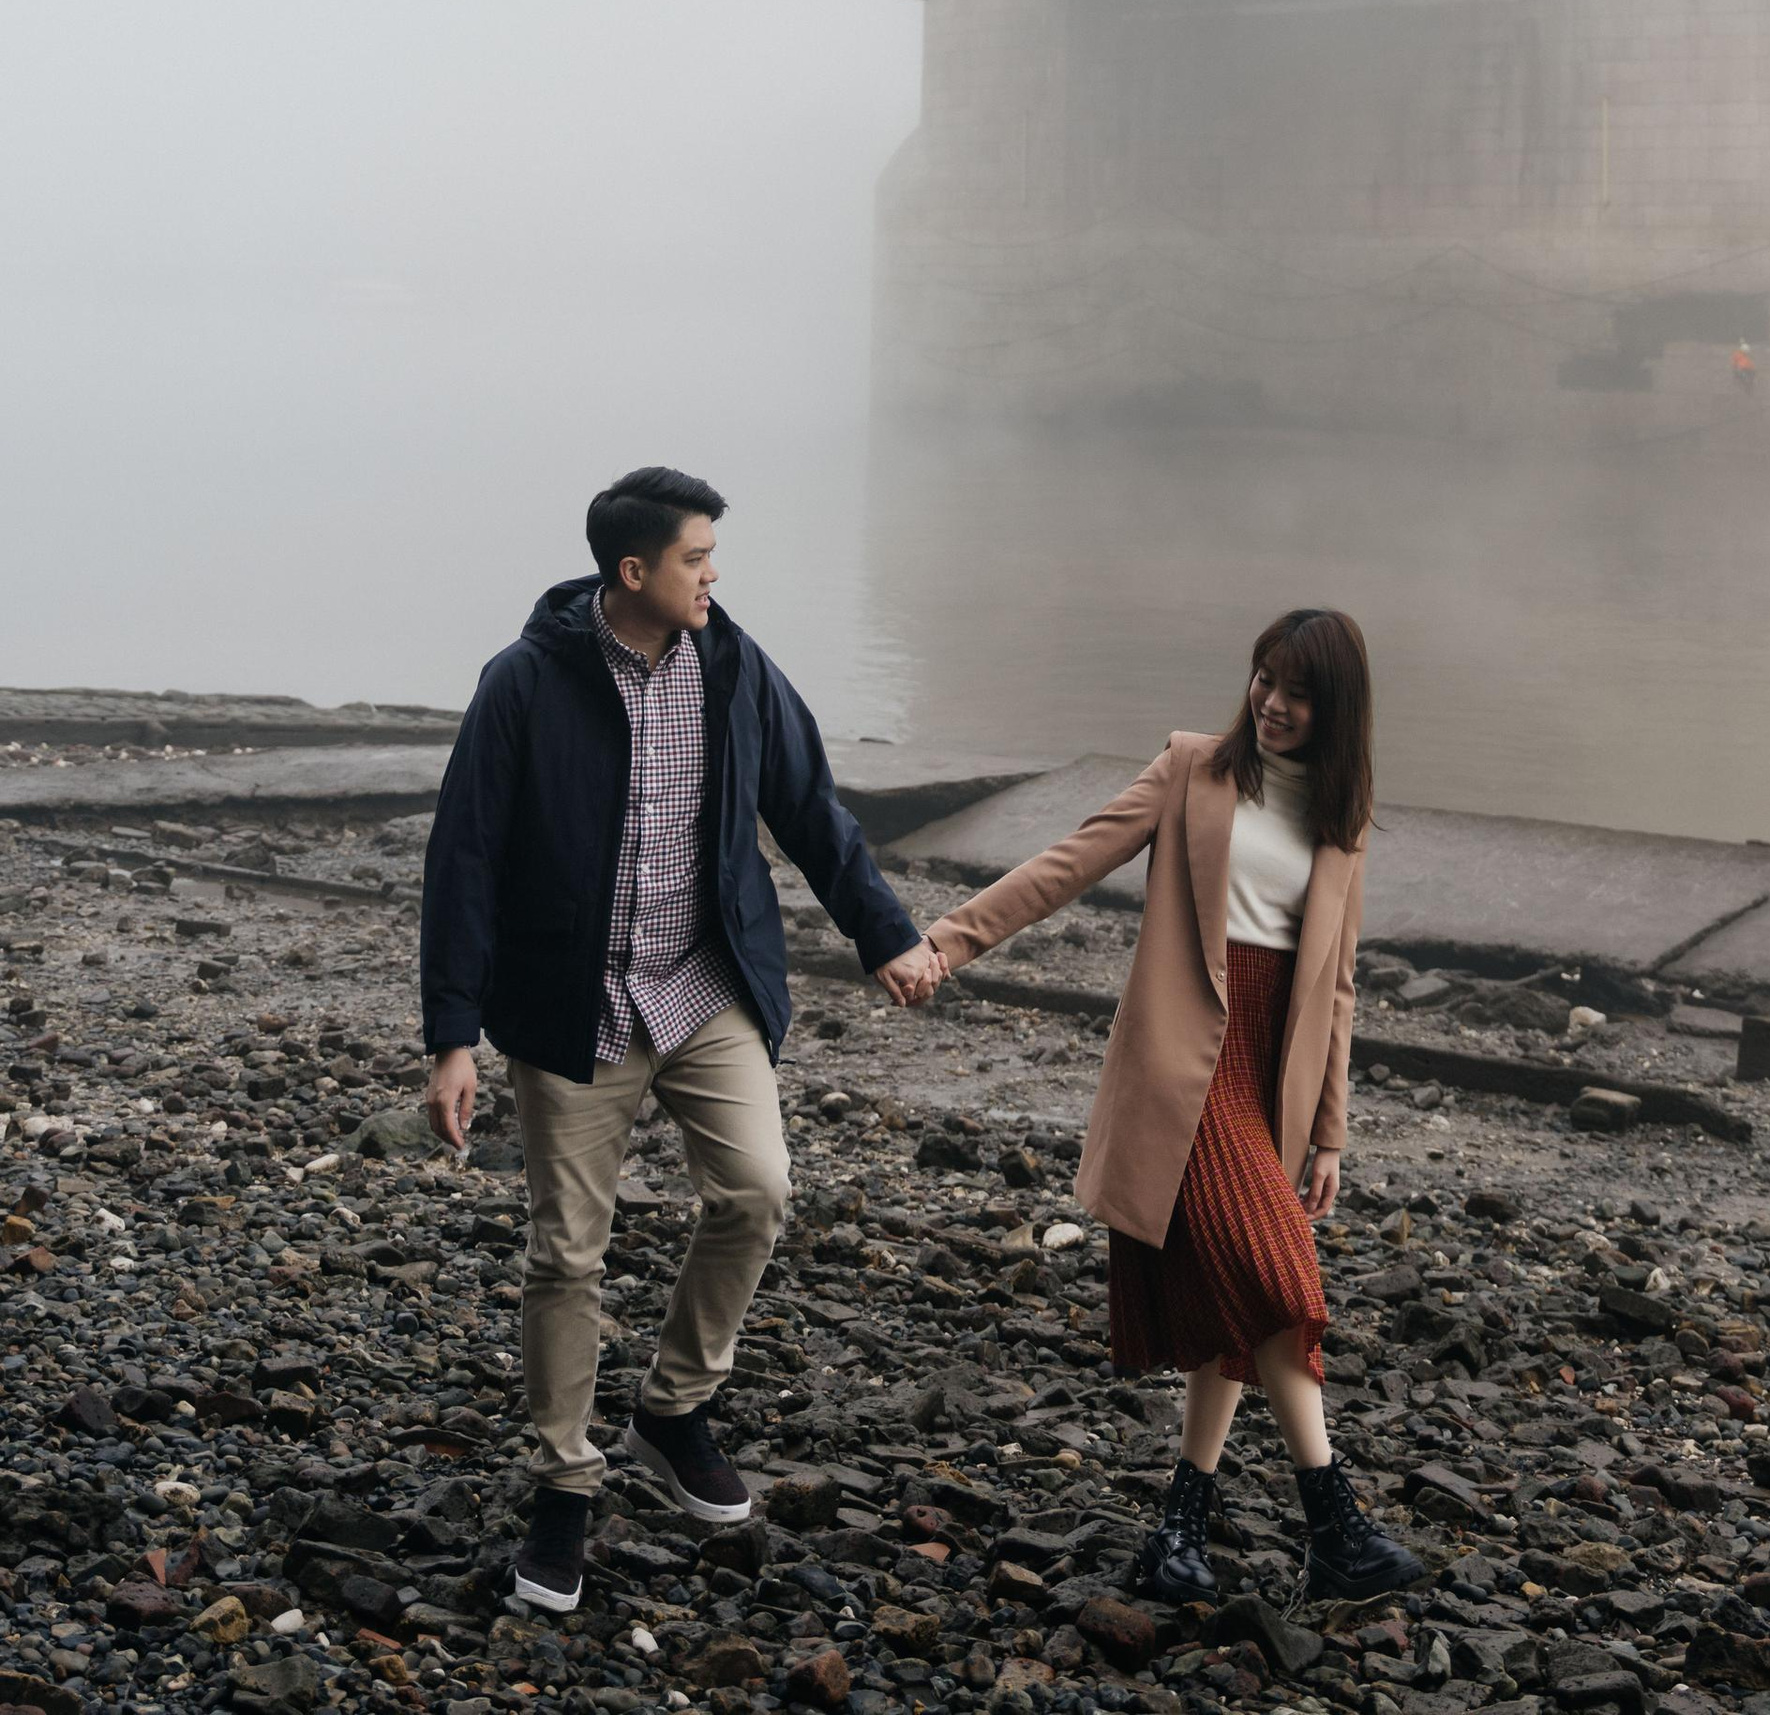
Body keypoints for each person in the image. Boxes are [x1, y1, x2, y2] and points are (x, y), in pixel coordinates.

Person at [418, 464, 939, 1617]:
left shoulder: (736, 667)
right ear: (634, 571)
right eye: (698, 558)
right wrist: (452, 1035)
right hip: (573, 1007)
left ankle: (671, 1409)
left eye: (713, 555)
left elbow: (811, 808)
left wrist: (884, 935)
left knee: (757, 1192)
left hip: (706, 989)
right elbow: (462, 857)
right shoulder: (522, 686)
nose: (715, 574)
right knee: (567, 1256)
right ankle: (564, 1485)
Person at [925, 604, 1426, 1610]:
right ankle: (1332, 1522)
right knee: (1278, 1282)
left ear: (1337, 712)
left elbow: (1336, 986)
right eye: (1264, 681)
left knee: (1237, 1300)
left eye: (1298, 694)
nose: (1274, 705)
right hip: (1181, 1072)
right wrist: (950, 940)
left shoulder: (1344, 823)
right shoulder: (1192, 770)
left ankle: (1180, 1529)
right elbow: (1069, 863)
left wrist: (1331, 1129)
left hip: (1267, 1076)